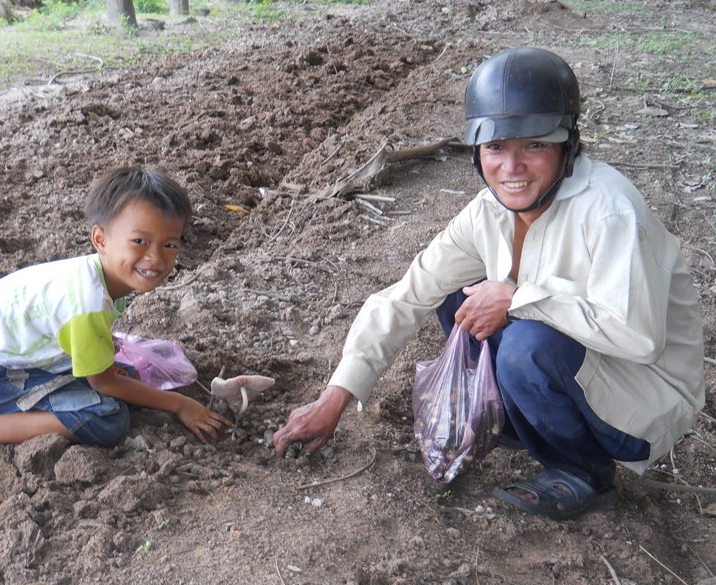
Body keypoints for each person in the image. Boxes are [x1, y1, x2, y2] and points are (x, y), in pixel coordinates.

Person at [274, 47, 706, 520]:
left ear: (570, 145)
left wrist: (519, 299)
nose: (512, 167)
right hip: (585, 372)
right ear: (478, 153)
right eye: (496, 147)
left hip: (642, 399)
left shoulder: (608, 211)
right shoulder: (488, 212)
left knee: (526, 343)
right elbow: (407, 294)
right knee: (457, 297)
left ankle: (583, 473)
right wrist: (336, 395)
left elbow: (638, 337)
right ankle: (522, 422)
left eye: (535, 145)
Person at [0, 167, 232, 487]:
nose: (155, 258)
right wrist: (181, 404)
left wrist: (110, 370)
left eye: (169, 245)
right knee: (108, 418)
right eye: (140, 241)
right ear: (100, 239)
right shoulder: (87, 303)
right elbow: (104, 384)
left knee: (128, 380)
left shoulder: (98, 276)